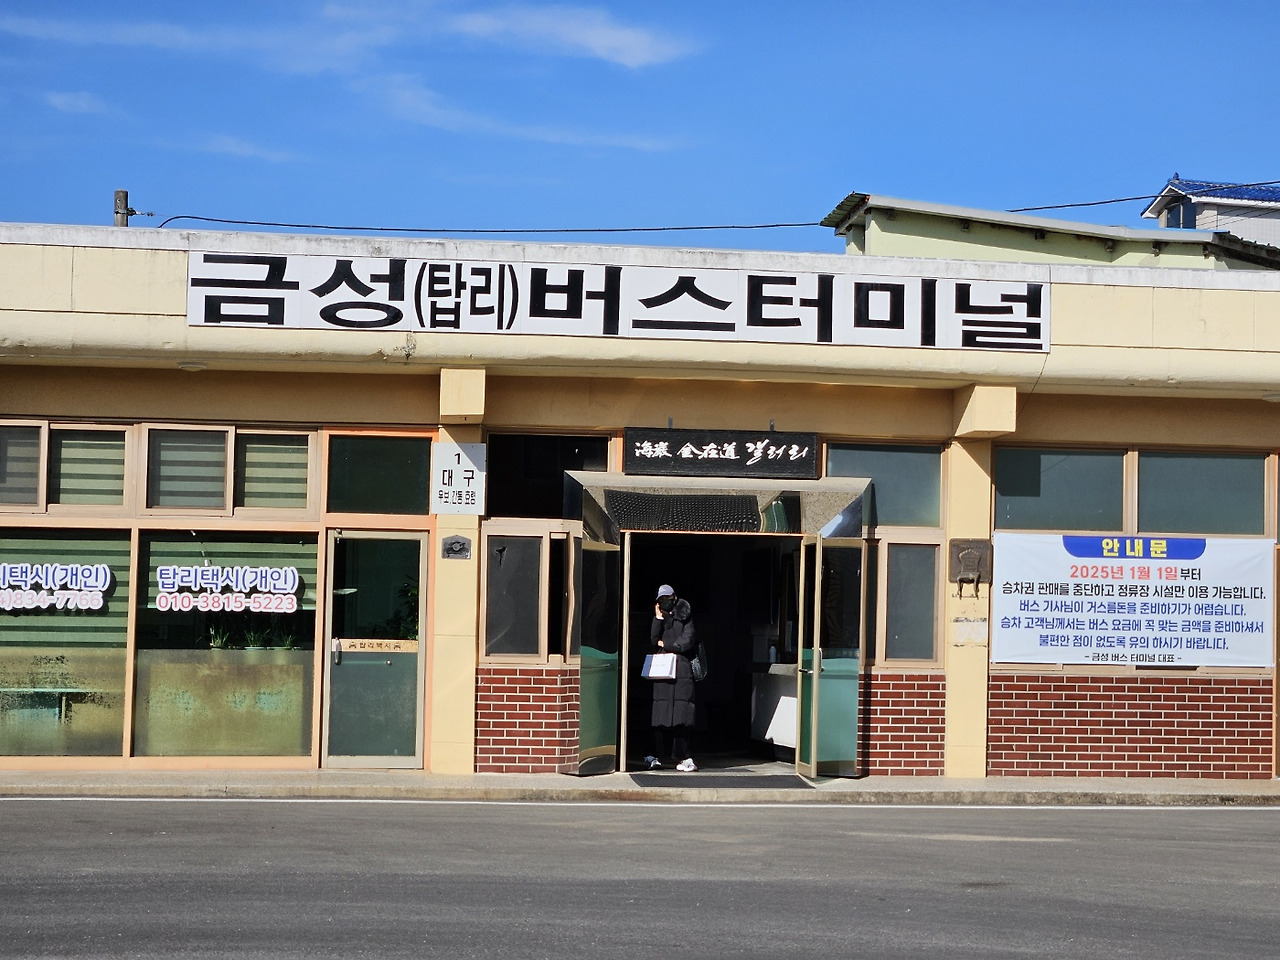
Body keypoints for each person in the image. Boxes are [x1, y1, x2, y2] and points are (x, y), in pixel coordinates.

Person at [645, 584, 697, 772]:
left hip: (681, 670)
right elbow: (653, 639)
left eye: (666, 598)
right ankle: (656, 755)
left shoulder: (685, 615)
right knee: (661, 713)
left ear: (674, 597)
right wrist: (658, 618)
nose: (664, 602)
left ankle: (683, 756)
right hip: (663, 669)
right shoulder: (659, 618)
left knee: (682, 715)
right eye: (660, 600)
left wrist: (664, 643)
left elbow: (687, 641)